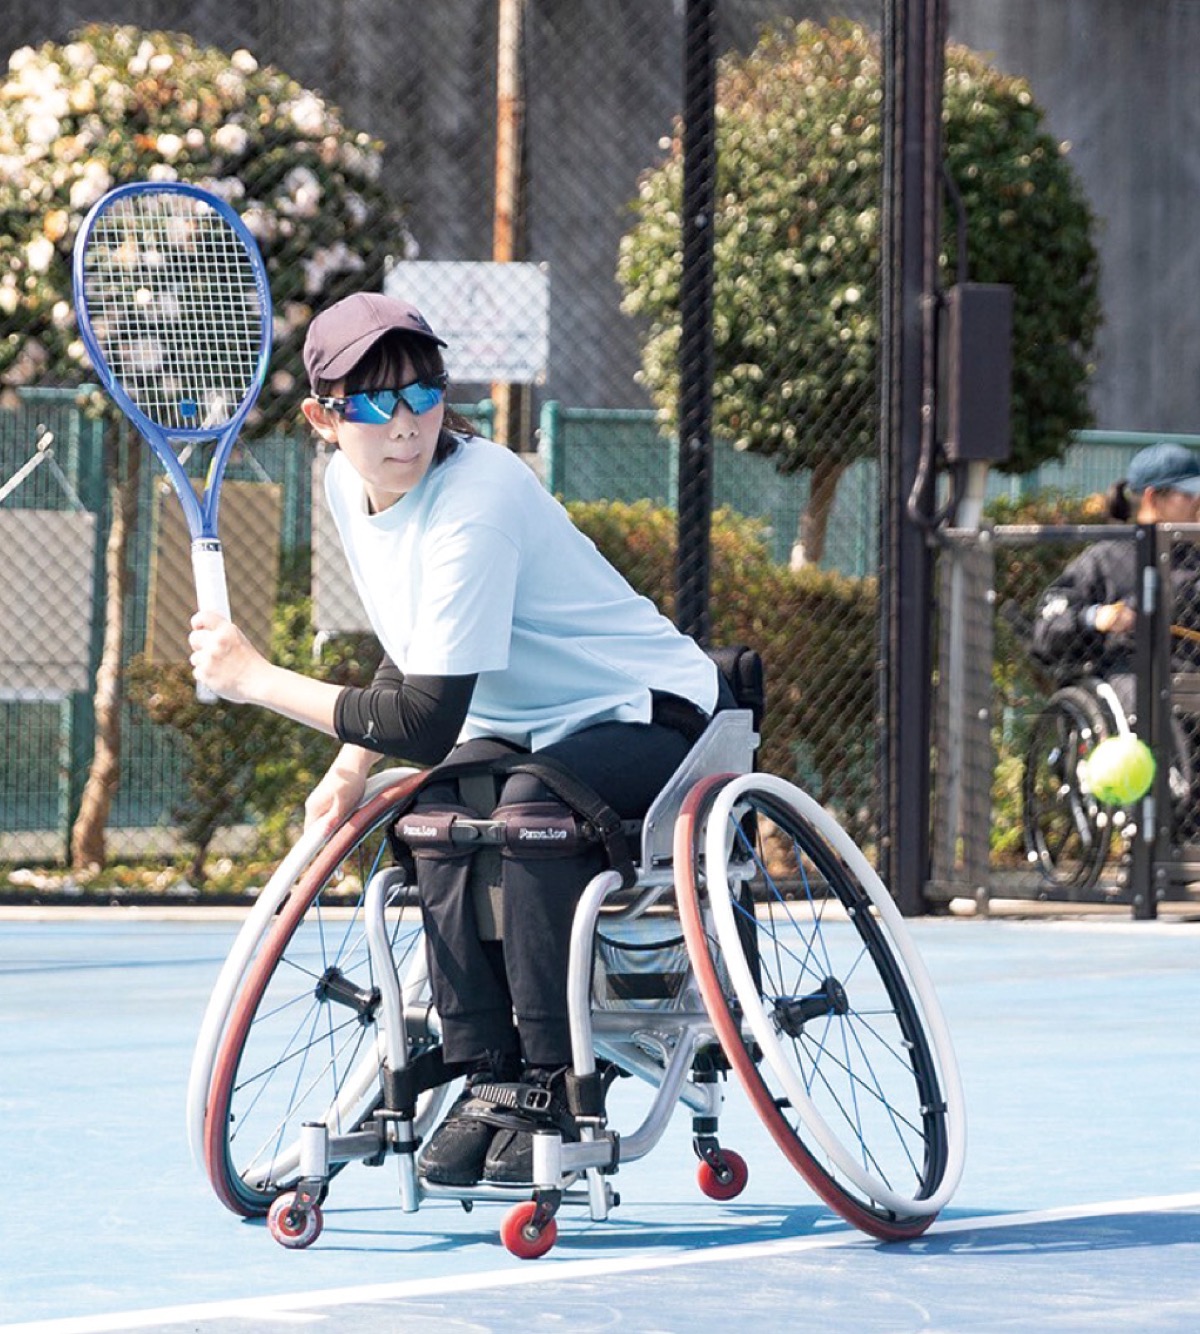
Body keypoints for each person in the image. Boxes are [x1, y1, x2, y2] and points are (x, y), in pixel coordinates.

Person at [188, 291, 726, 1187]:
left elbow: (428, 721)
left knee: (527, 813)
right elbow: (414, 649)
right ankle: (488, 1071)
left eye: (423, 392)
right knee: (435, 815)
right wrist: (352, 762)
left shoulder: (481, 490)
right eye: (370, 403)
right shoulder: (343, 487)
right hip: (522, 728)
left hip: (648, 711)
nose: (403, 424)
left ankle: (556, 1077)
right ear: (324, 418)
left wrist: (254, 680)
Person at [1030, 440, 1200, 810]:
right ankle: (1175, 804)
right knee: (1150, 697)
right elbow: (1048, 627)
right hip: (1127, 674)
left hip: (1191, 667)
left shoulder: (1196, 556)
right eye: (1190, 496)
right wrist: (1098, 617)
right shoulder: (1105, 557)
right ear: (1155, 497)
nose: (1198, 504)